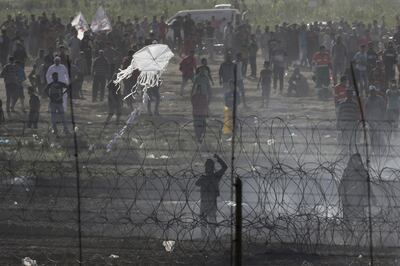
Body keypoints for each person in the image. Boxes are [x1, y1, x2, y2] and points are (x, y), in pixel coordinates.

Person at [195, 154, 227, 240]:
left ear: (212, 167)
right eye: (206, 166)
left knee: (212, 221)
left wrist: (219, 159)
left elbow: (225, 167)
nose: (207, 168)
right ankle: (204, 238)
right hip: (204, 202)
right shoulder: (204, 178)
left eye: (209, 166)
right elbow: (197, 183)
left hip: (212, 202)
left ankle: (212, 239)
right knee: (203, 222)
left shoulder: (216, 176)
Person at [338, 153, 372, 226]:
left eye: (358, 160)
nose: (356, 162)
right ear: (351, 160)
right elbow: (342, 187)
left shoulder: (364, 172)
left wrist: (370, 200)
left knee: (360, 225)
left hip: (359, 203)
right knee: (348, 226)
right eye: (354, 160)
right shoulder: (347, 171)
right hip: (348, 203)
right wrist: (344, 200)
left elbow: (368, 188)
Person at [191, 66, 212, 143]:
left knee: (203, 124)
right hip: (198, 100)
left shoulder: (206, 78)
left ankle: (201, 137)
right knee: (197, 124)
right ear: (199, 71)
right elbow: (194, 87)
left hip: (203, 97)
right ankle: (198, 137)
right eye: (201, 70)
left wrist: (209, 96)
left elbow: (209, 88)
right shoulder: (197, 78)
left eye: (204, 70)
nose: (202, 71)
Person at [365, 85, 387, 154]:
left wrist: (382, 119)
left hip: (379, 122)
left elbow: (384, 109)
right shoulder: (368, 100)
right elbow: (366, 110)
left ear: (375, 91)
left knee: (380, 137)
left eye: (373, 91)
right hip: (371, 122)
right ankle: (375, 152)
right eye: (371, 92)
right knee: (372, 138)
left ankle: (384, 151)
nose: (372, 93)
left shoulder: (380, 99)